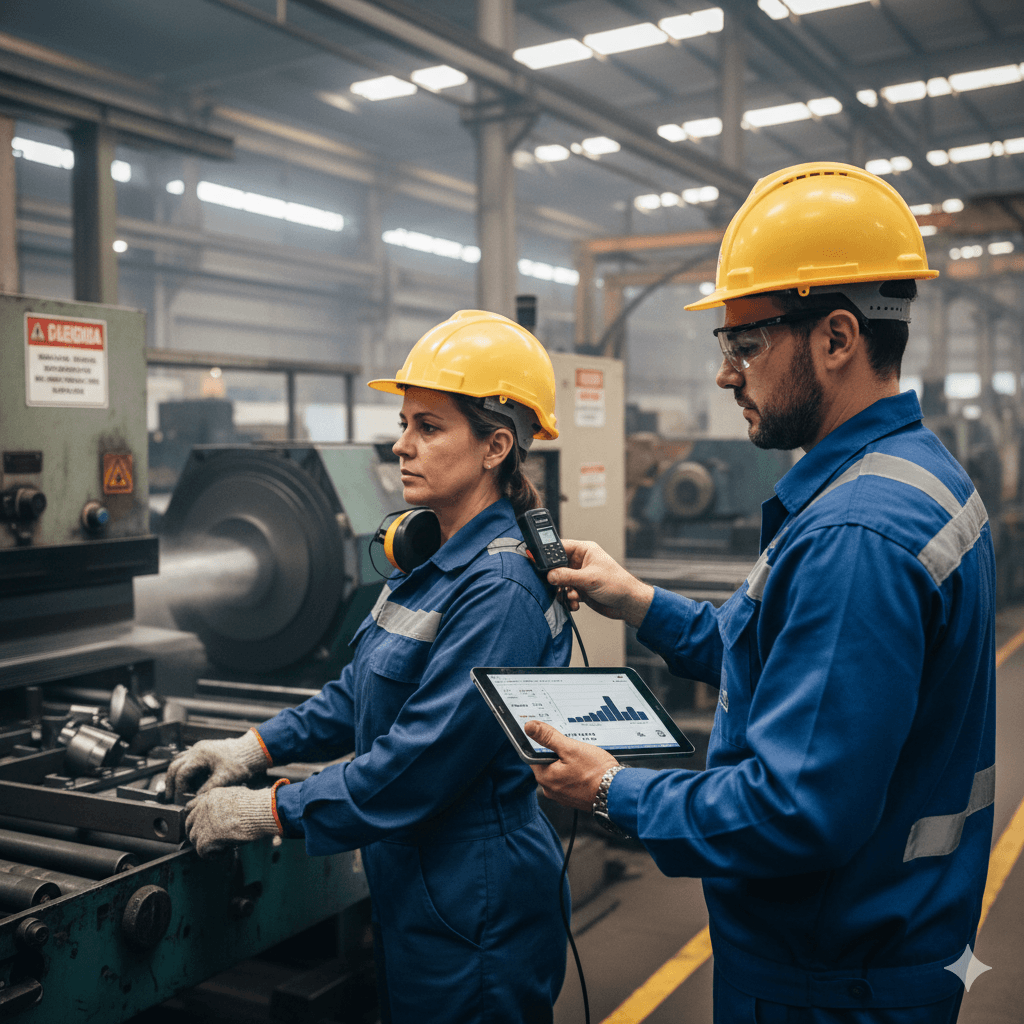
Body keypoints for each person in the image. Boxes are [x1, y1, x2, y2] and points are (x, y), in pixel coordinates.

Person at [528, 162, 996, 1024]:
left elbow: (795, 811)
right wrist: (636, 600)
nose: (726, 374)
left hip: (827, 979)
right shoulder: (914, 478)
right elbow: (782, 653)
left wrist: (611, 789)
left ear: (838, 337)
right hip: (881, 943)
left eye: (745, 344)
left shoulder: (855, 532)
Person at [167, 310, 573, 1024]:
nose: (400, 445)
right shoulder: (431, 560)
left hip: (473, 899)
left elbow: (417, 766)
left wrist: (269, 810)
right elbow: (360, 690)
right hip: (417, 883)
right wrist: (252, 747)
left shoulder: (499, 590)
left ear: (495, 445)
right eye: (404, 422)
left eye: (428, 427)